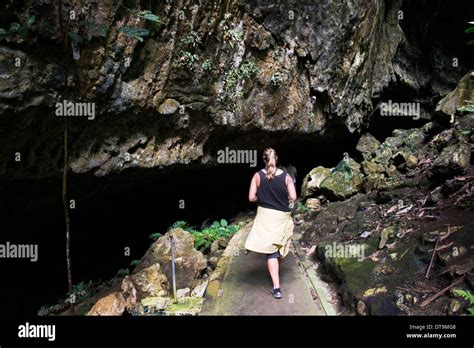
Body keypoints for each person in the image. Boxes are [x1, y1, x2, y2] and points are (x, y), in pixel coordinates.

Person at [245, 148, 297, 299]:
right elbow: (293, 196)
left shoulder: (257, 176)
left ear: (264, 160)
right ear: (277, 158)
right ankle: (276, 287)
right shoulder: (286, 176)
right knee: (274, 251)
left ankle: (274, 276)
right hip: (281, 216)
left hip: (266, 216)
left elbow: (251, 197)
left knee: (273, 251)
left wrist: (262, 197)